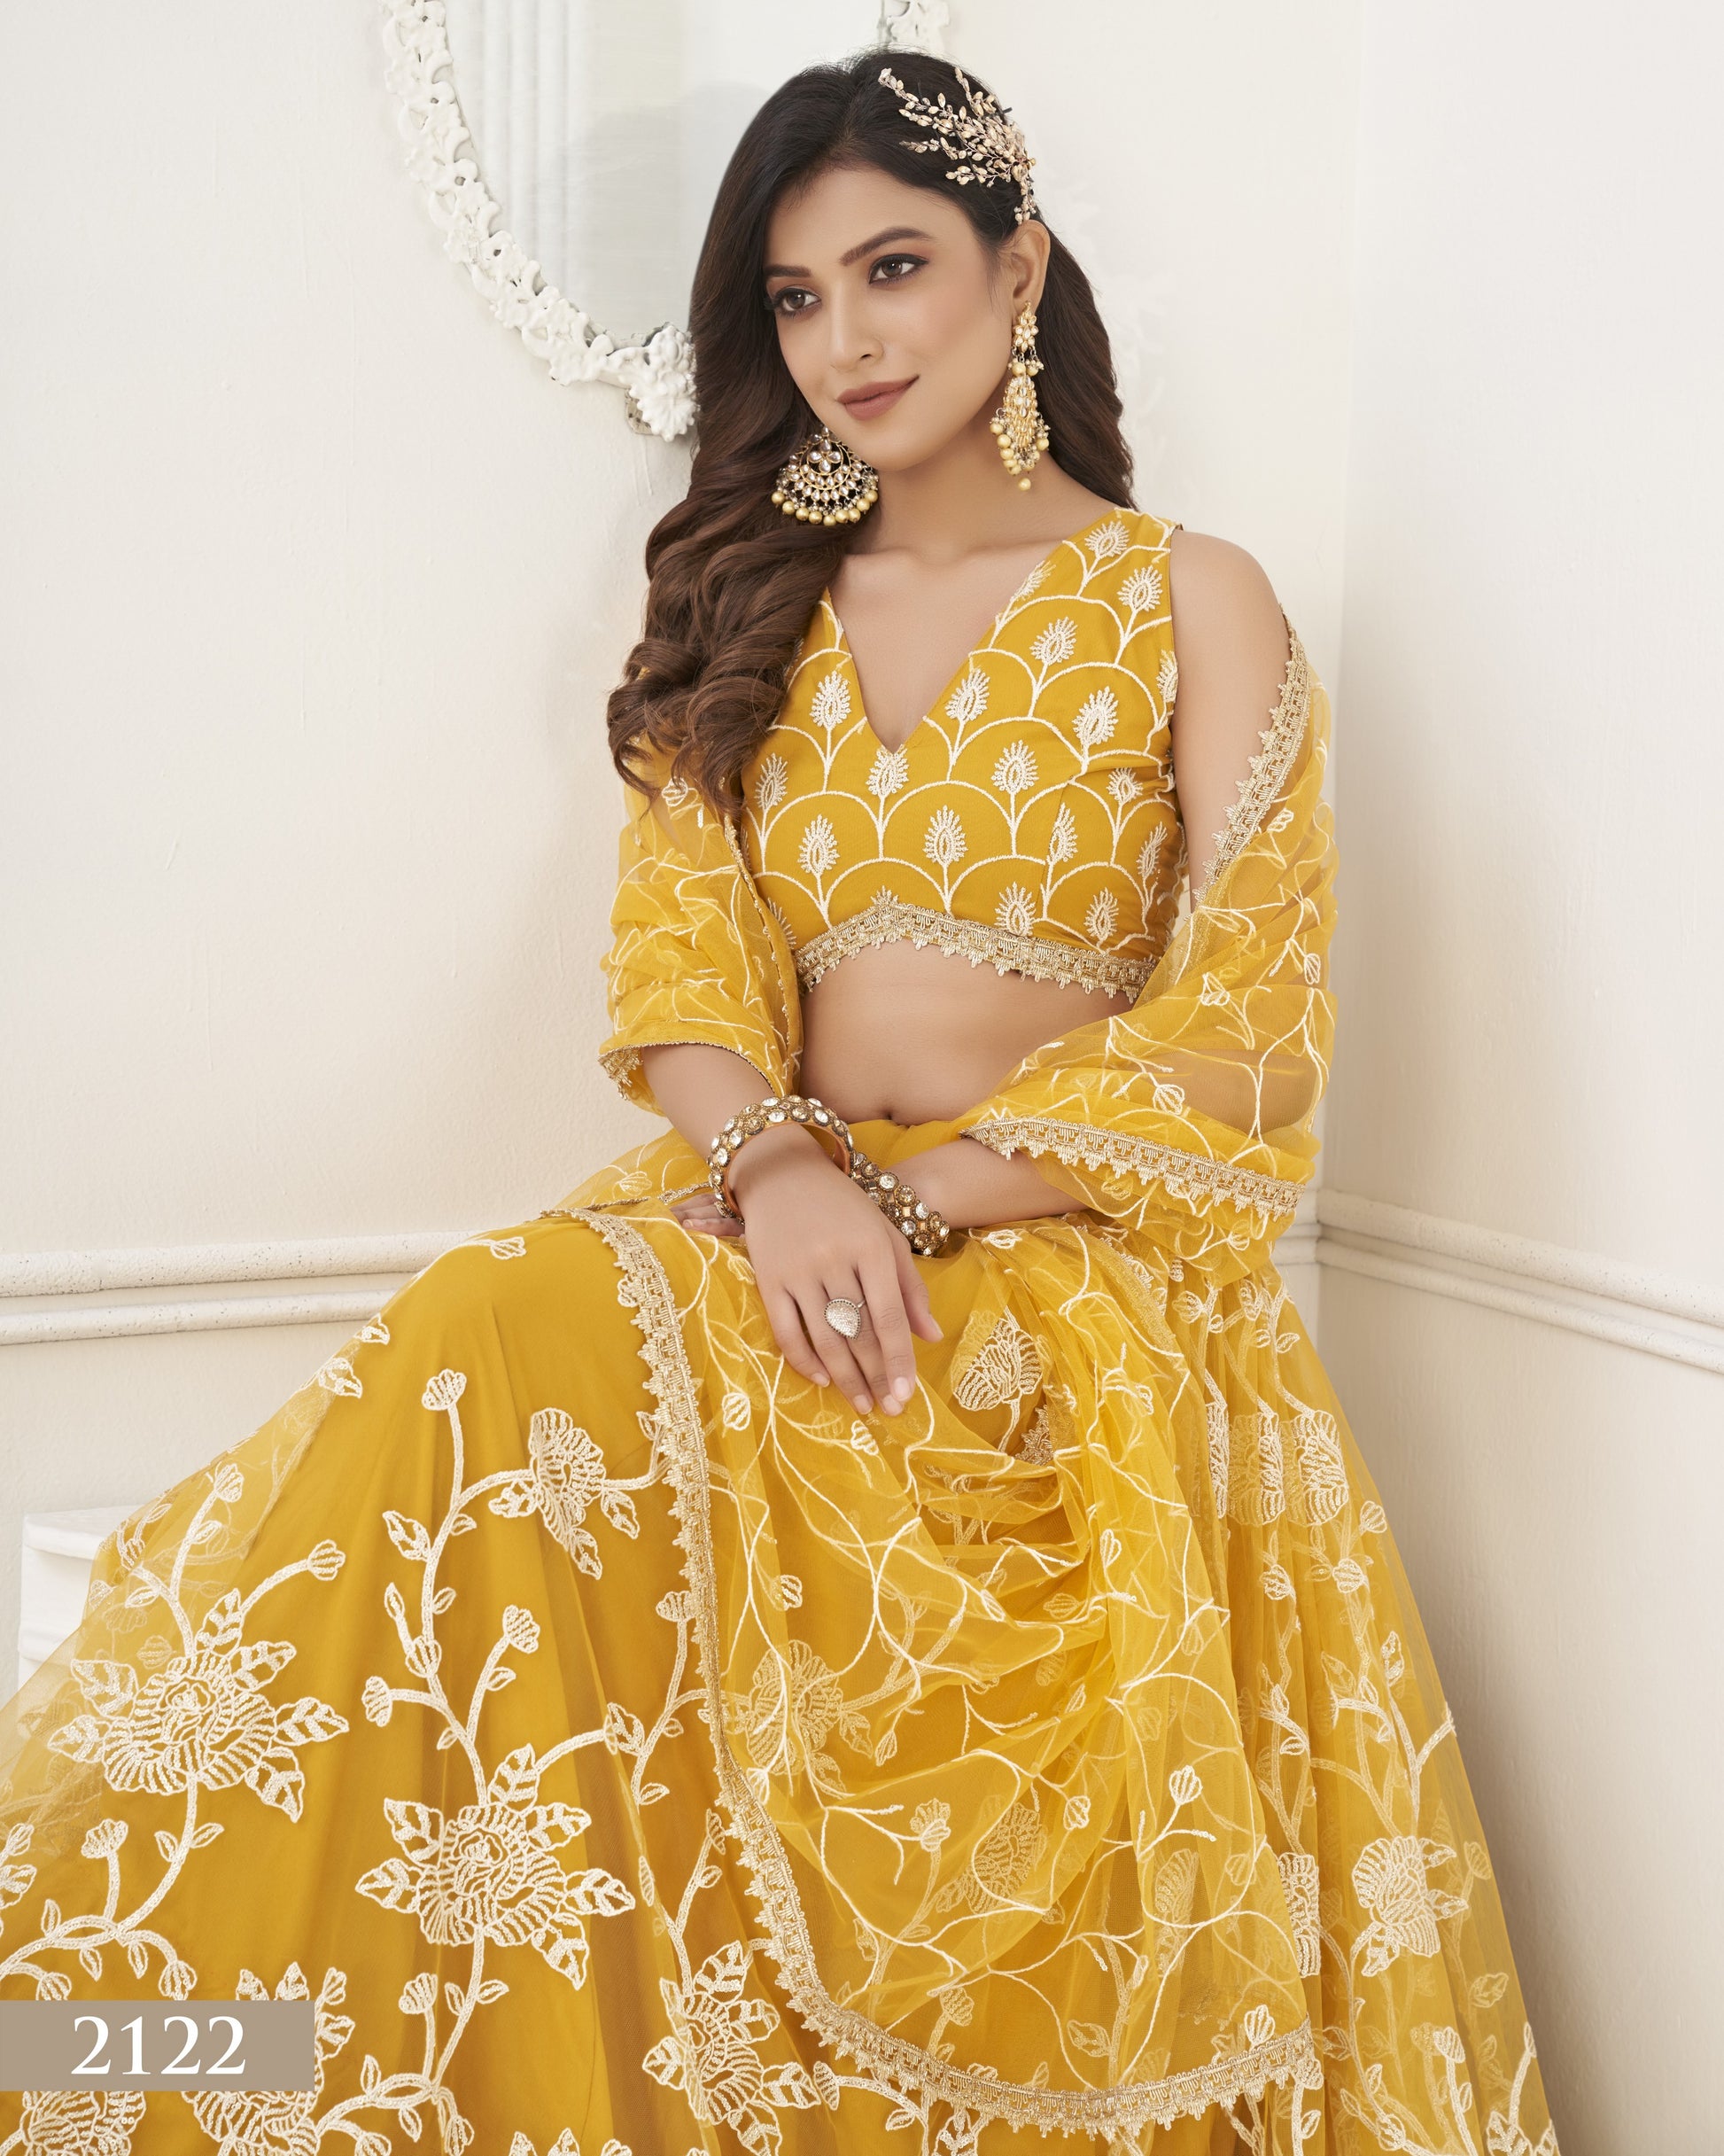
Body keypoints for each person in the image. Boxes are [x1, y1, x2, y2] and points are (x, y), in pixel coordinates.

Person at [0, 49, 1560, 2156]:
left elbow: (1253, 1023)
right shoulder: (753, 611)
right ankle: (130, 2059)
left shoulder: (1190, 594)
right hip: (764, 1215)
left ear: (1020, 274)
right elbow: (677, 976)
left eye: (893, 268)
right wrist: (787, 1166)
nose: (845, 340)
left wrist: (909, 1207)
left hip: (1059, 1282)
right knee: (481, 1339)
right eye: (798, 298)